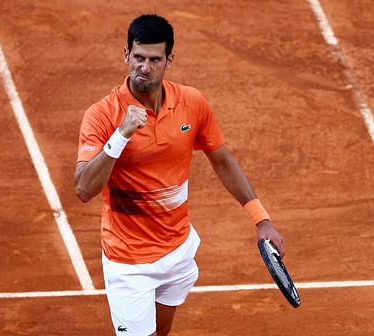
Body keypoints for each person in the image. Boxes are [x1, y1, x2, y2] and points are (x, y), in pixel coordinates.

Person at [74, 14, 285, 336]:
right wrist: (122, 134)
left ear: (168, 60)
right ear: (126, 55)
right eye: (138, 58)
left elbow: (223, 161)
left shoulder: (192, 102)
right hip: (129, 262)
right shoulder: (102, 115)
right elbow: (84, 188)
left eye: (154, 60)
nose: (144, 67)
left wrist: (261, 219)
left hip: (178, 250)